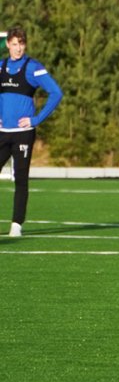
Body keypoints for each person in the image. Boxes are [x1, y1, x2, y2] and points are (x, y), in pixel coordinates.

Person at [0, 26, 64, 238]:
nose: (18, 49)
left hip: (23, 134)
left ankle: (16, 225)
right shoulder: (0, 67)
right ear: (8, 44)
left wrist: (36, 119)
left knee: (21, 178)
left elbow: (56, 93)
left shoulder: (33, 67)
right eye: (15, 44)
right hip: (2, 132)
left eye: (22, 44)